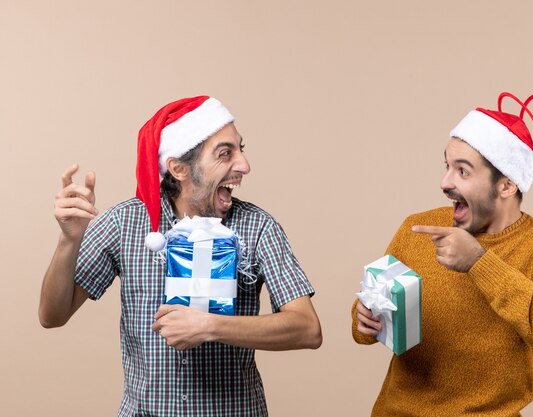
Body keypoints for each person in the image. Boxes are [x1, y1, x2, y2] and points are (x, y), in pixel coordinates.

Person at [39, 95, 322, 417]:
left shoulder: (257, 226)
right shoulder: (125, 223)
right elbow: (52, 316)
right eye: (225, 153)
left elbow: (307, 329)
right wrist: (68, 240)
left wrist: (210, 326)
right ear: (179, 168)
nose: (244, 165)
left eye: (241, 150)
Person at [352, 92, 533, 417]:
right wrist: (364, 318)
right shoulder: (416, 228)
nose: (444, 182)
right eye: (447, 166)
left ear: (506, 185)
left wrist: (480, 262)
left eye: (463, 171)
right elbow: (367, 318)